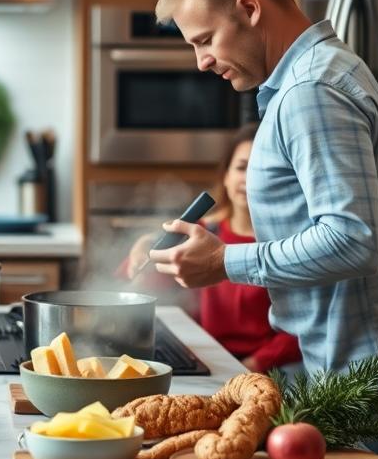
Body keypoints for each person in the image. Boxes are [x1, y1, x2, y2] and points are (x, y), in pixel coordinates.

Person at [146, 0, 378, 459]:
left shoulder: (312, 91)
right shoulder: (317, 78)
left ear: (249, 7)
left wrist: (224, 261)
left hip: (369, 390)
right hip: (348, 380)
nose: (201, 61)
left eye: (204, 39)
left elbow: (353, 240)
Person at [127, 123, 301, 374]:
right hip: (206, 358)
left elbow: (301, 327)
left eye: (262, 168)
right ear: (226, 176)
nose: (250, 177)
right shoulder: (201, 232)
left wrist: (252, 366)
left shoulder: (292, 245)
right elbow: (147, 282)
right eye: (242, 168)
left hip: (264, 369)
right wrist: (144, 249)